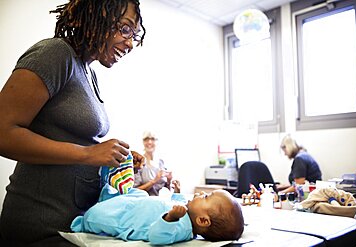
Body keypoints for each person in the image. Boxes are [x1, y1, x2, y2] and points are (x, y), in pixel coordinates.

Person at [0, 0, 146, 246]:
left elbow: (73, 140)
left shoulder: (88, 72)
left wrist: (116, 157)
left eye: (135, 34)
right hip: (40, 227)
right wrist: (89, 154)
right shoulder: (55, 54)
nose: (130, 43)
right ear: (97, 16)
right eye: (126, 29)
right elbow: (3, 133)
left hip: (73, 227)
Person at [71, 189, 244, 245]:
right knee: (139, 193)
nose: (200, 193)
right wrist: (176, 194)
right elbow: (176, 202)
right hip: (138, 204)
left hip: (126, 218)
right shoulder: (187, 213)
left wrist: (170, 218)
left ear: (203, 221)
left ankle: (84, 222)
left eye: (206, 197)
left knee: (98, 214)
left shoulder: (182, 229)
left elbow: (157, 237)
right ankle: (111, 197)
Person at [134, 131, 180, 195]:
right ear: (143, 142)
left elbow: (166, 190)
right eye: (146, 139)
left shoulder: (161, 162)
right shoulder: (139, 162)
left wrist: (169, 181)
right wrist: (155, 180)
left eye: (152, 139)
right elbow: (134, 191)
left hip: (161, 201)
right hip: (144, 201)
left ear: (157, 142)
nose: (149, 142)